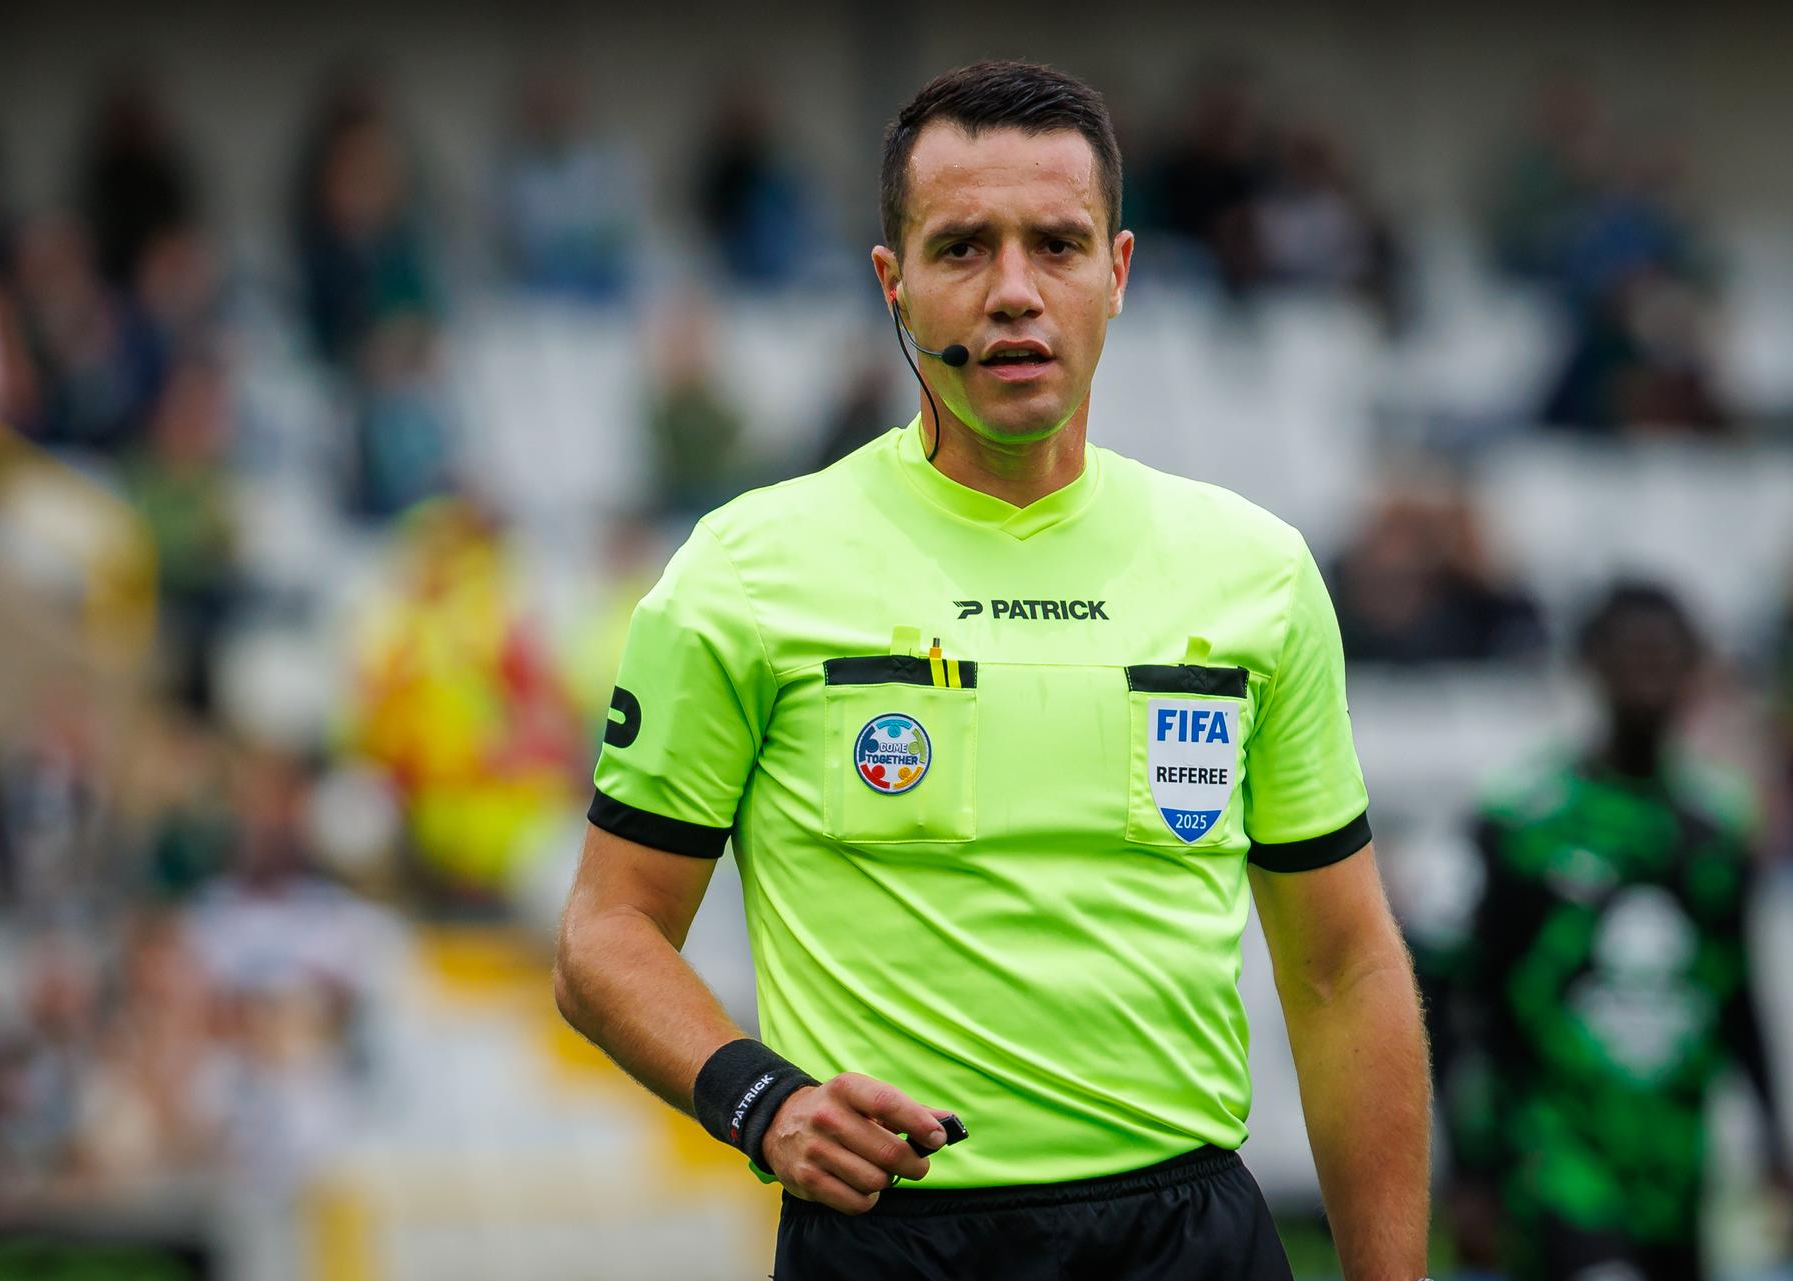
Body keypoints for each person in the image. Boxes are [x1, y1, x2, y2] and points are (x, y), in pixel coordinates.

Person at [553, 61, 1430, 1280]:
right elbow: (606, 934)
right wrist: (764, 1103)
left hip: (1190, 1240)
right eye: (963, 248)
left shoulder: (1256, 574)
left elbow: (1343, 969)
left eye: (1057, 246)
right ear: (893, 285)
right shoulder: (748, 572)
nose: (1015, 292)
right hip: (895, 1246)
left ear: (1117, 274)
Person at [1434, 582, 1789, 1281]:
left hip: (1676, 1165)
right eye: (1631, 655)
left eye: (1666, 656)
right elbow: (1450, 996)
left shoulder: (1716, 830)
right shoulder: (1523, 824)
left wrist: (1773, 1141)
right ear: (1591, 665)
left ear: (1694, 669)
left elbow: (1735, 993)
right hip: (1554, 1160)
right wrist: (1468, 1164)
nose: (1648, 674)